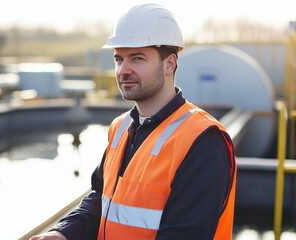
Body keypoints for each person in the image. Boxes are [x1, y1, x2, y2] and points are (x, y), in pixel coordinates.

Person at [29, 3, 236, 240]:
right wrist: (64, 232)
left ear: (170, 64)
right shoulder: (121, 127)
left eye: (137, 59)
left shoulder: (203, 141)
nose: (123, 70)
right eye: (119, 59)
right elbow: (101, 196)